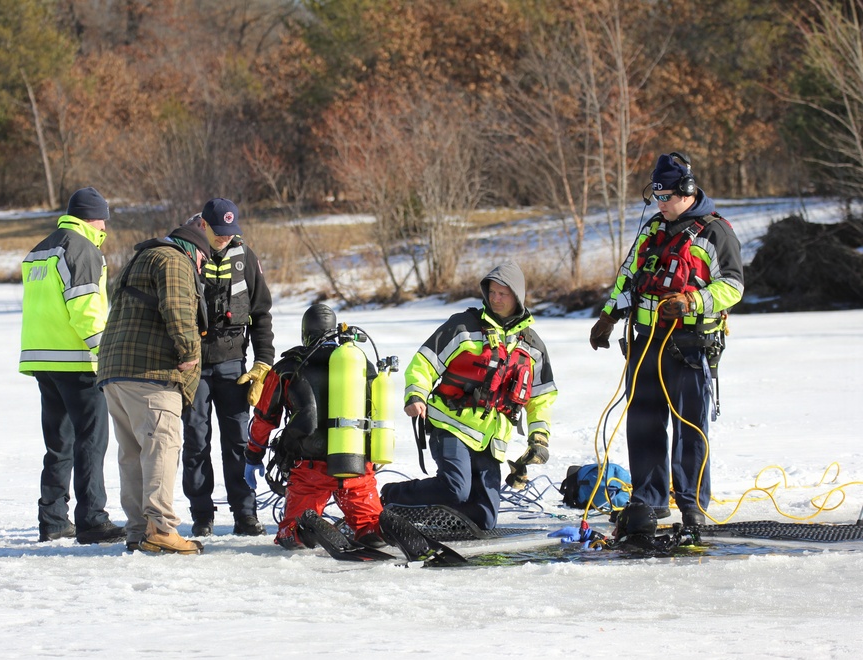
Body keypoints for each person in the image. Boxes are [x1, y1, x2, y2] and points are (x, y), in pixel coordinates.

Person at [589, 152, 744, 526]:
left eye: (667, 197)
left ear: (688, 192)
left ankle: (692, 504)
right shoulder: (653, 229)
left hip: (690, 346)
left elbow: (734, 287)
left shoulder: (715, 232)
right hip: (645, 343)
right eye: (656, 196)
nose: (661, 203)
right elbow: (629, 276)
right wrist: (609, 315)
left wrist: (693, 300)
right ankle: (648, 500)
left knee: (689, 427)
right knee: (642, 422)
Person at [380, 261, 558, 530]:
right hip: (450, 425)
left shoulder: (533, 346)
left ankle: (440, 521)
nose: (496, 299)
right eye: (492, 292)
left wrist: (539, 436)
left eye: (503, 294)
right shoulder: (463, 326)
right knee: (455, 488)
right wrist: (416, 395)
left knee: (484, 520)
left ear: (517, 298)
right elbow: (424, 363)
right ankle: (390, 497)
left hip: (491, 440)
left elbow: (541, 397)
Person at [97, 219, 211, 554]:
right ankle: (160, 529)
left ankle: (138, 532)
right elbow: (177, 307)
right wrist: (190, 352)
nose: (202, 267)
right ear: (194, 248)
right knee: (162, 447)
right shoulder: (175, 259)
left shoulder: (141, 258)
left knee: (132, 454)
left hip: (115, 371)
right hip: (151, 373)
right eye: (203, 259)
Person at [19, 186, 126, 545]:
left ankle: (52, 520)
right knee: (91, 441)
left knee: (59, 443)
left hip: (42, 359)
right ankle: (92, 519)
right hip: (77, 360)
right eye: (103, 222)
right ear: (93, 218)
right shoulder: (82, 250)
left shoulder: (40, 248)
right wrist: (106, 356)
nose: (105, 230)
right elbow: (87, 312)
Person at [244, 304, 385, 550]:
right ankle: (371, 531)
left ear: (305, 332)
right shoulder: (360, 363)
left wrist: (253, 455)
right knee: (369, 524)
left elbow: (265, 418)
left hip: (310, 470)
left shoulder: (288, 367)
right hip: (356, 466)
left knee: (289, 534)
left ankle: (305, 530)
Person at [180, 198, 275, 538]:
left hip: (235, 367)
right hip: (193, 367)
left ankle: (245, 514)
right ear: (204, 224)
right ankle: (201, 514)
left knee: (239, 442)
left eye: (229, 233)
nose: (224, 238)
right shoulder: (184, 255)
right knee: (196, 441)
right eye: (219, 232)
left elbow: (261, 314)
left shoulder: (246, 258)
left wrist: (264, 362)